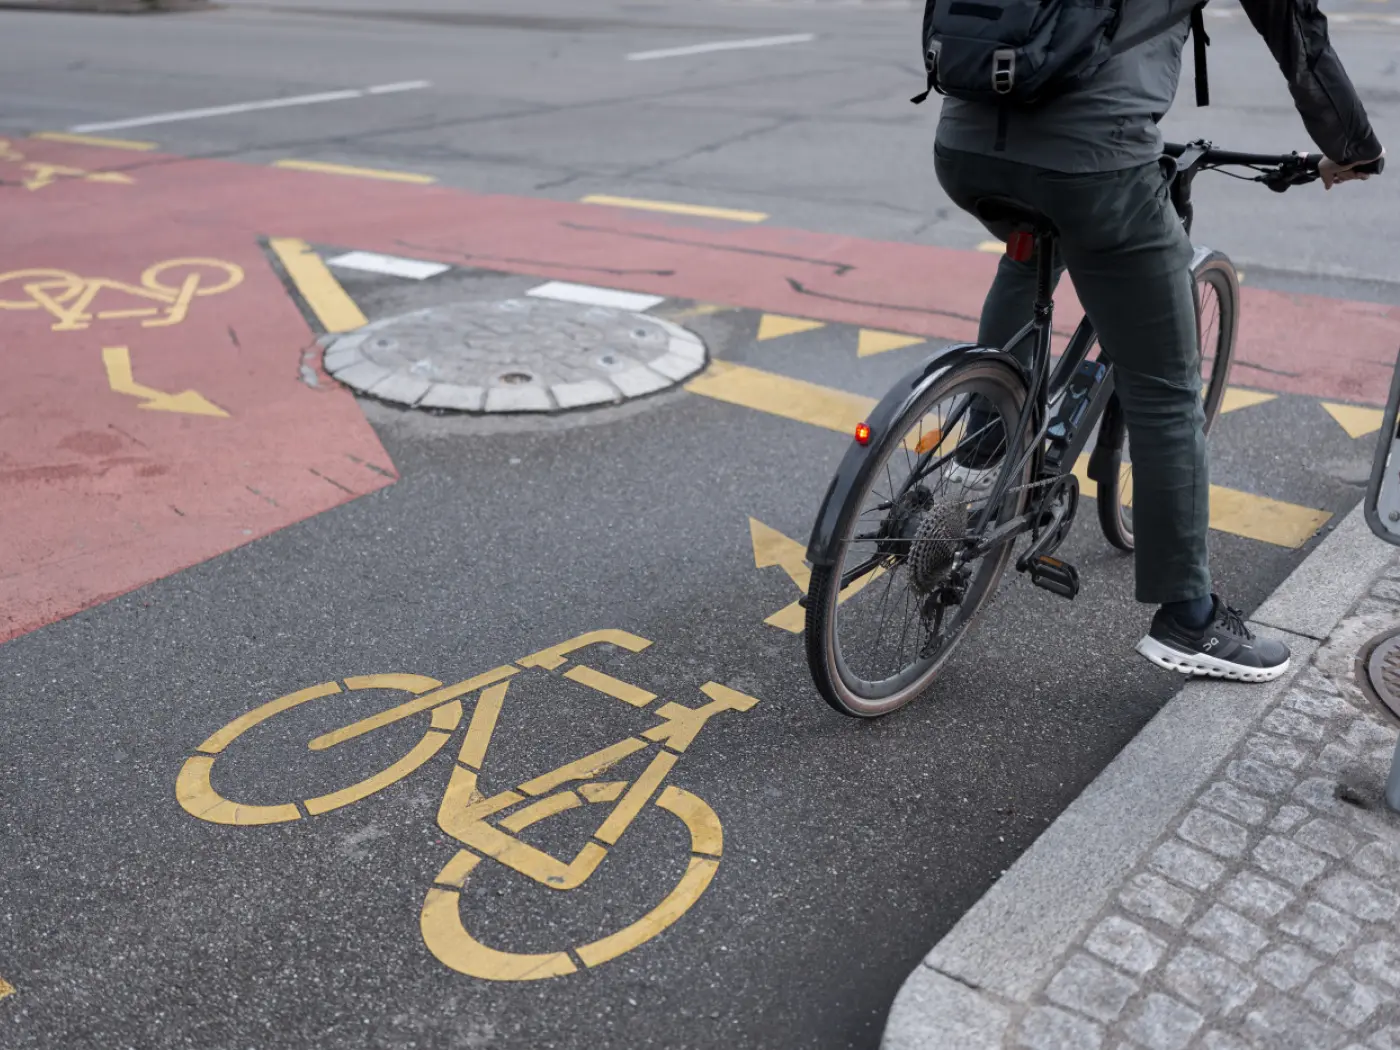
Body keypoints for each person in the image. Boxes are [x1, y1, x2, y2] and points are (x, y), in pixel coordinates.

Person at [932, 0, 1383, 683]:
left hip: (964, 143)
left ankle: (982, 453)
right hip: (1096, 164)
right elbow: (1299, 34)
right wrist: (1354, 147)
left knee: (1030, 249)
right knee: (1168, 391)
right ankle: (1190, 619)